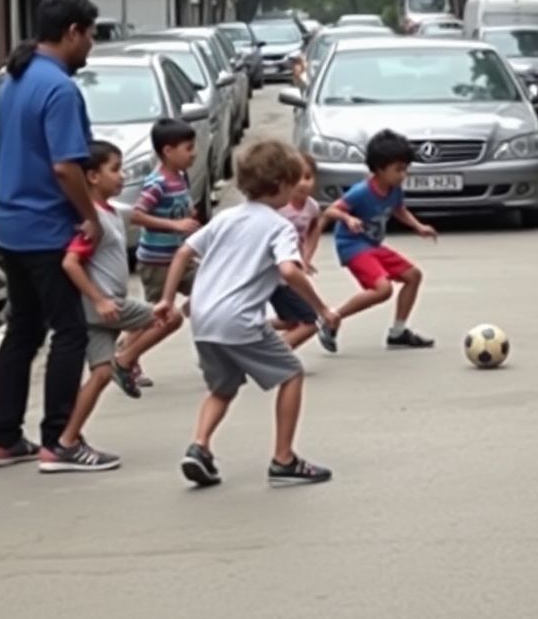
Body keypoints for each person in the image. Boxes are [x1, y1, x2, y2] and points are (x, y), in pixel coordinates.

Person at [156, 140, 341, 488]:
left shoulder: (226, 217)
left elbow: (183, 253)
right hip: (238, 320)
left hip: (203, 320)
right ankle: (284, 460)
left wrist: (167, 300)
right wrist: (321, 309)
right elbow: (288, 271)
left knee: (223, 388)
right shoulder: (278, 226)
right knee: (292, 373)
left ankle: (199, 447)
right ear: (283, 186)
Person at [0, 0, 100, 471]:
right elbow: (65, 168)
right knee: (70, 332)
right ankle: (60, 438)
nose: (91, 45)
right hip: (47, 227)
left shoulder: (16, 77)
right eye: (90, 35)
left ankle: (4, 437)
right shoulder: (59, 89)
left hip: (10, 225)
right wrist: (89, 215)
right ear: (73, 32)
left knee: (23, 331)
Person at [56, 142, 184, 470]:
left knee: (98, 376)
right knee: (169, 316)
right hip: (106, 305)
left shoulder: (110, 213)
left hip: (102, 311)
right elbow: (71, 263)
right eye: (114, 169)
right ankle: (125, 361)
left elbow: (140, 215)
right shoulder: (93, 219)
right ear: (92, 177)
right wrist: (99, 299)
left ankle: (66, 442)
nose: (122, 176)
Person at [318, 129, 437, 352]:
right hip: (352, 246)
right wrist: (348, 218)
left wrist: (418, 227)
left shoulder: (393, 189)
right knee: (383, 289)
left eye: (405, 169)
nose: (403, 175)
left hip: (372, 245)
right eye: (398, 170)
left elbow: (399, 210)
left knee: (413, 276)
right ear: (379, 169)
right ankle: (332, 317)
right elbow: (331, 210)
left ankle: (398, 332)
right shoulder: (361, 192)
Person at [131, 118, 201, 318]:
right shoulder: (157, 183)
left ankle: (184, 312)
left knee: (208, 286)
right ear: (168, 151)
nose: (194, 153)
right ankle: (127, 342)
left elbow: (178, 208)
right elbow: (136, 215)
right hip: (157, 263)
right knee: (156, 315)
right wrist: (175, 225)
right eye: (188, 148)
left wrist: (189, 216)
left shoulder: (180, 177)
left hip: (181, 258)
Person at [270, 151, 324, 350]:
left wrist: (306, 258)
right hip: (276, 274)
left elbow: (314, 228)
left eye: (308, 177)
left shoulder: (312, 207)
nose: (303, 183)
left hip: (291, 274)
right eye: (296, 178)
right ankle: (272, 355)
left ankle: (258, 336)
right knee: (310, 320)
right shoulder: (278, 207)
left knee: (294, 320)